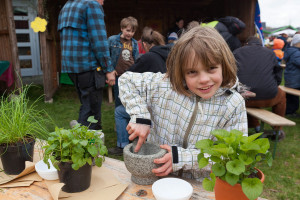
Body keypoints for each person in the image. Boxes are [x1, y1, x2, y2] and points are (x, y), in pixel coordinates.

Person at [118, 26, 248, 180]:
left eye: (211, 68)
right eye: (192, 72)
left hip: (200, 185)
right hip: (157, 178)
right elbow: (126, 80)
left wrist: (183, 158)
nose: (204, 79)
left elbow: (235, 155)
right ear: (180, 71)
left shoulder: (232, 103)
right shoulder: (165, 86)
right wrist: (140, 116)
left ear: (224, 65)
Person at [108, 27, 171, 155]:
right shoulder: (171, 55)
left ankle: (122, 145)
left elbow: (128, 77)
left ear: (145, 44)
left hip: (153, 107)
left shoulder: (148, 57)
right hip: (169, 105)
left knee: (119, 112)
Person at [58, 0, 111, 130]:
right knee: (91, 113)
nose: (102, 3)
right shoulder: (91, 5)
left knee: (86, 105)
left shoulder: (67, 6)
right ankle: (88, 146)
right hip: (89, 67)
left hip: (71, 68)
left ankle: (83, 139)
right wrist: (108, 68)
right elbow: (99, 41)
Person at [233, 36, 286, 140]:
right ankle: (278, 129)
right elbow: (278, 72)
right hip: (267, 96)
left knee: (252, 92)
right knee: (282, 96)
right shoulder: (270, 52)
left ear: (246, 44)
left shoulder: (236, 52)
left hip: (243, 97)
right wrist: (275, 85)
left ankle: (257, 127)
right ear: (261, 44)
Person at [106, 16, 139, 108]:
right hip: (118, 76)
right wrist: (111, 70)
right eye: (128, 30)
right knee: (119, 99)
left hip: (131, 76)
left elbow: (136, 59)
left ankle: (129, 120)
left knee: (131, 99)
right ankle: (119, 120)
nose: (130, 33)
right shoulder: (112, 40)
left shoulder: (134, 43)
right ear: (122, 28)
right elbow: (106, 57)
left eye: (133, 31)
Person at [284, 34, 300, 117]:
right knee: (293, 98)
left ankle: (289, 110)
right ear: (297, 43)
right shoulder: (296, 53)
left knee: (291, 97)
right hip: (295, 79)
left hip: (292, 78)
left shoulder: (291, 51)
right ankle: (290, 112)